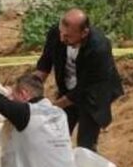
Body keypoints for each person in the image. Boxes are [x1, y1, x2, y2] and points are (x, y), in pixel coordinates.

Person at [34, 9, 124, 152]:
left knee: (85, 145)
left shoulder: (99, 47)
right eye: (61, 33)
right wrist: (32, 88)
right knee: (56, 137)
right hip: (68, 88)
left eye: (68, 36)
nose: (63, 39)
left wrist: (53, 106)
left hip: (93, 94)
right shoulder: (56, 34)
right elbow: (45, 61)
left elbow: (84, 88)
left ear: (84, 33)